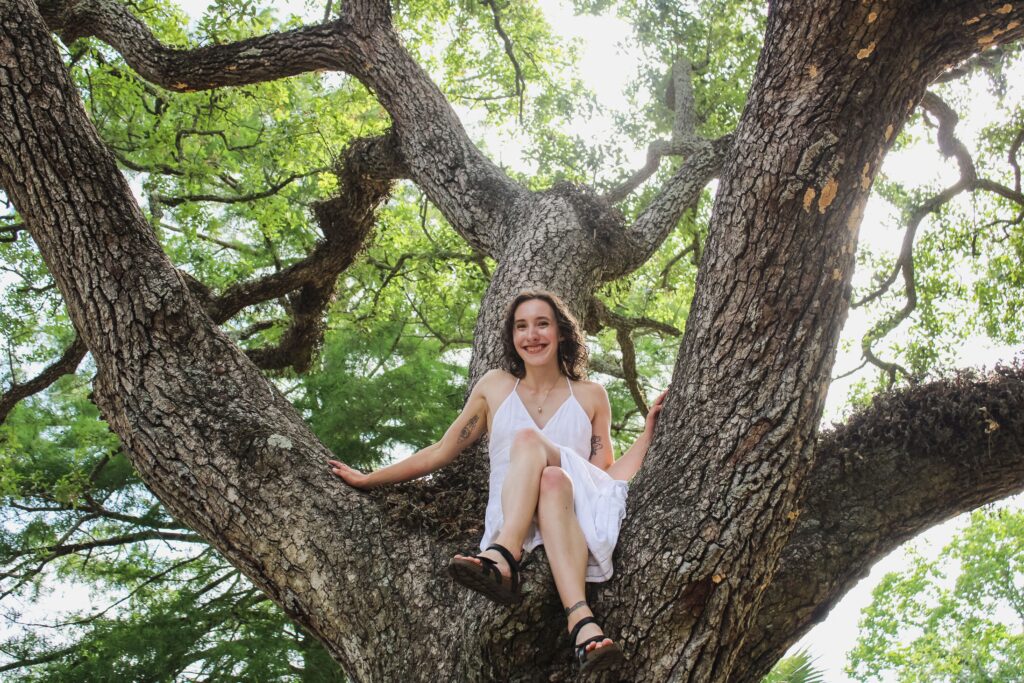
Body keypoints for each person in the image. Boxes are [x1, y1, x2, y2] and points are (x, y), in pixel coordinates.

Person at [329, 290, 664, 675]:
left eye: (542, 324)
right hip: (515, 516)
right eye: (521, 326)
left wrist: (647, 435)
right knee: (550, 474)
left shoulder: (590, 396)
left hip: (571, 523)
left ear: (561, 333)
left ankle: (504, 556)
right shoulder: (496, 387)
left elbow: (602, 479)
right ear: (511, 336)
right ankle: (581, 620)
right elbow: (440, 451)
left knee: (546, 463)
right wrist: (369, 479)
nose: (532, 335)